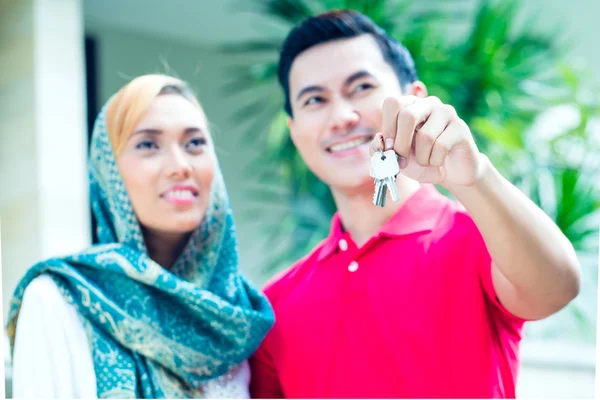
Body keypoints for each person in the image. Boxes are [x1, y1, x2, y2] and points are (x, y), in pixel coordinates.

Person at [249, 10, 581, 399]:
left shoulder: (482, 238)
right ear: (295, 131)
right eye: (314, 99)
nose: (341, 116)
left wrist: (474, 177)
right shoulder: (275, 305)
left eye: (360, 87)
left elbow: (557, 287)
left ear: (414, 99)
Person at [6, 74, 274, 398]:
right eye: (148, 144)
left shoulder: (233, 318)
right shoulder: (59, 300)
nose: (180, 166)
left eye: (195, 143)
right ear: (110, 172)